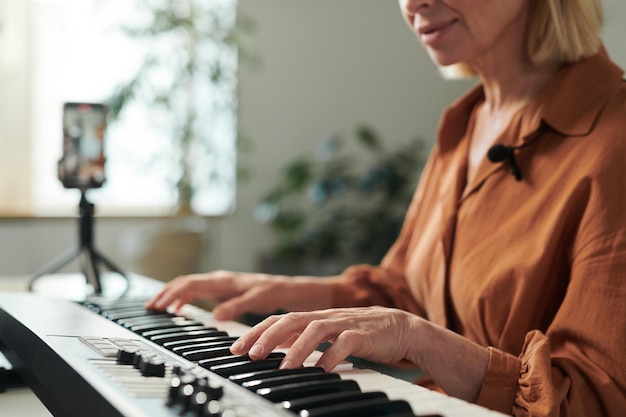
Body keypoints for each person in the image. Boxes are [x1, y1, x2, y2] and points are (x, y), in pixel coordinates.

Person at [146, 0, 626, 415]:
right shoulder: (467, 124)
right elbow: (408, 294)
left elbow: (591, 401)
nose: (414, 3)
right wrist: (280, 291)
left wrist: (414, 335)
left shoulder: (615, 140)